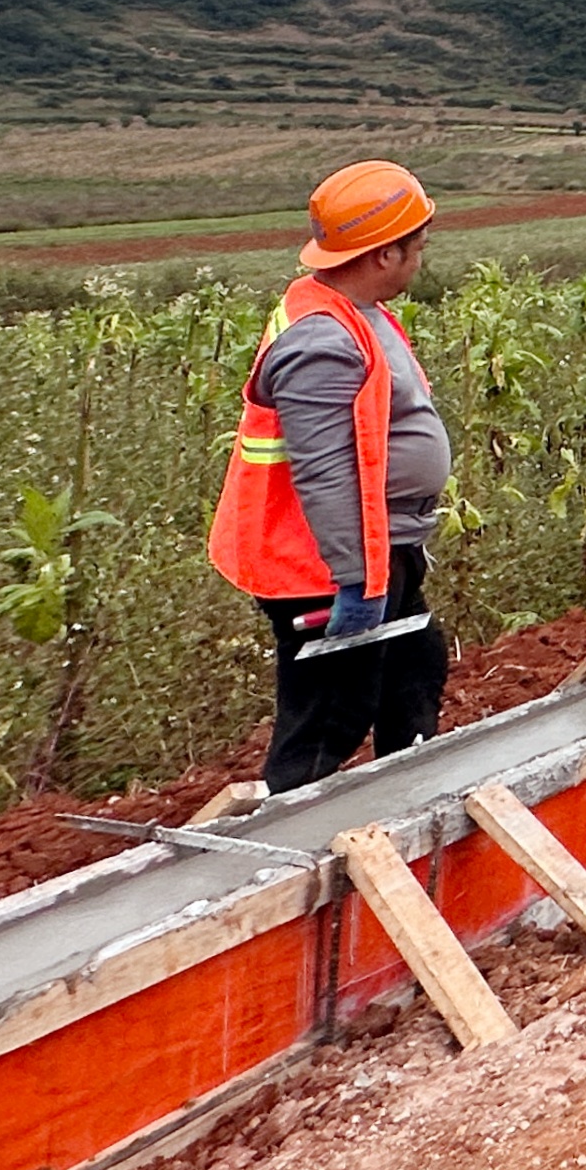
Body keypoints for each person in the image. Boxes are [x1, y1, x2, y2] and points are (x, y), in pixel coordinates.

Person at [209, 160, 457, 792]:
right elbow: (325, 471)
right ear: (382, 254)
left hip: (383, 547)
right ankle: (288, 846)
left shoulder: (359, 312)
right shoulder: (320, 342)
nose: (419, 261)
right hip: (324, 566)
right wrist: (356, 578)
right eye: (416, 249)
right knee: (329, 712)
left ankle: (408, 805)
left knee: (413, 671)